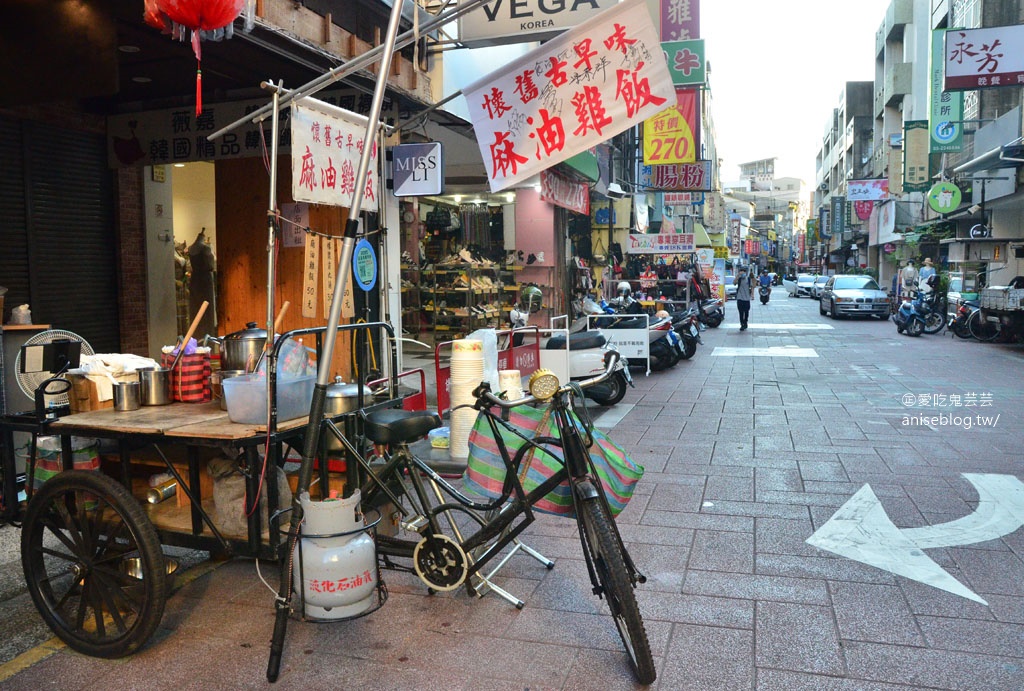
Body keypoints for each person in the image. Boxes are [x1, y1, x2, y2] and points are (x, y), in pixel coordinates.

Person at [734, 266, 753, 330]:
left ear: (745, 273)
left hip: (747, 298)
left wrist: (752, 295)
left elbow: (752, 287)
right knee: (741, 312)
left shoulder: (748, 279)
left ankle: (746, 322)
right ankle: (742, 324)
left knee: (746, 312)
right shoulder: (739, 279)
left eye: (743, 272)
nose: (742, 274)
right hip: (739, 298)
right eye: (740, 272)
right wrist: (738, 276)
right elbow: (734, 283)